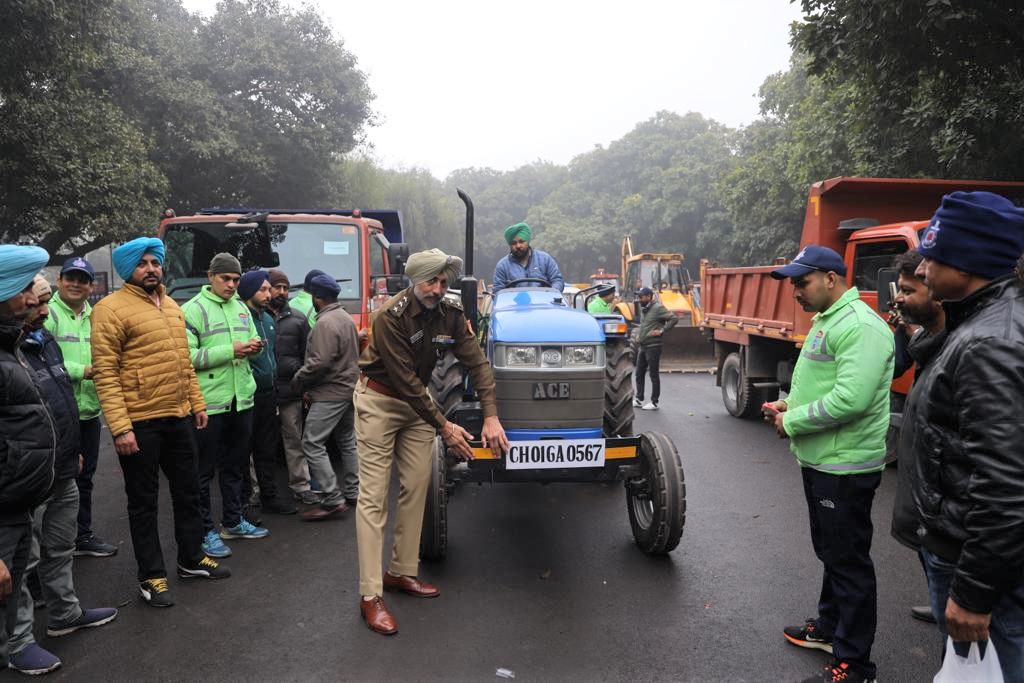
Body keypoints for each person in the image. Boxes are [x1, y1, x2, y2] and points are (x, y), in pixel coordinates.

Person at [355, 248, 510, 635]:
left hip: (418, 406)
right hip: (379, 401)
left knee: (417, 486)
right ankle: (371, 595)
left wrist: (491, 415)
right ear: (414, 280)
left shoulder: (452, 315)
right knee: (373, 498)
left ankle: (401, 572)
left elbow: (477, 363)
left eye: (444, 282)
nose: (438, 289)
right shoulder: (389, 318)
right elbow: (405, 380)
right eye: (432, 281)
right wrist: (445, 426)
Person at [764, 245, 893, 683]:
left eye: (802, 282)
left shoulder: (860, 326)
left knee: (848, 561)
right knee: (832, 551)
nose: (795, 292)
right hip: (823, 460)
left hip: (845, 466)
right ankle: (829, 627)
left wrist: (793, 421)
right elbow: (823, 384)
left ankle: (856, 664)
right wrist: (785, 403)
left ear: (832, 279)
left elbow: (851, 400)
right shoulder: (829, 320)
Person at [911, 192, 1024, 681]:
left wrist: (973, 592)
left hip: (974, 565)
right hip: (966, 550)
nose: (922, 269)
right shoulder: (977, 323)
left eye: (934, 254)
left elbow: (1007, 485)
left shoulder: (989, 342)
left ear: (968, 261)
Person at [92, 237, 230, 609]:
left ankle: (190, 558)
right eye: (142, 263)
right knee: (144, 502)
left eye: (155, 262)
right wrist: (120, 428)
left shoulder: (171, 306)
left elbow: (184, 363)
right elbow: (105, 373)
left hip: (179, 415)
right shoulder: (109, 310)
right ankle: (151, 575)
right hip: (140, 421)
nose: (151, 268)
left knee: (187, 491)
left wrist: (197, 403)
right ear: (127, 270)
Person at [8, 275, 117, 675]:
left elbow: (59, 398)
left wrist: (69, 452)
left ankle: (64, 614)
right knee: (22, 559)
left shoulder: (41, 340)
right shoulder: (10, 350)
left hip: (61, 465)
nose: (43, 310)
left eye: (44, 301)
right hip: (22, 478)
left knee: (59, 547)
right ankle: (17, 642)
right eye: (35, 302)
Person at [182, 253, 269, 559]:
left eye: (235, 280)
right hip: (209, 403)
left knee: (235, 467)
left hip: (241, 399)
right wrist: (231, 349)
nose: (232, 285)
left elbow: (253, 345)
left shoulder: (242, 308)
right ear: (211, 276)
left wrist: (256, 348)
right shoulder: (191, 310)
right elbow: (188, 359)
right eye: (226, 279)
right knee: (203, 472)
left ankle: (232, 521)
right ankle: (206, 530)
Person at [0, 245, 56, 670]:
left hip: (17, 504)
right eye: (22, 289)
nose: (34, 298)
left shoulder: (11, 346)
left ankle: (14, 649)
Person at [885, 251, 945, 626]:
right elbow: (896, 365)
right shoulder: (926, 332)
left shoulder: (970, 339)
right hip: (927, 484)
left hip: (949, 493)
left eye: (909, 289)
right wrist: (907, 332)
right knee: (931, 551)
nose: (899, 298)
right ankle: (941, 598)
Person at [44, 256, 117, 558]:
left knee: (85, 478)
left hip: (88, 412)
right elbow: (40, 361)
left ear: (91, 286)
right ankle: (51, 546)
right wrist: (83, 370)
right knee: (55, 481)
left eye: (82, 279)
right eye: (70, 278)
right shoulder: (47, 314)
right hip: (56, 414)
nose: (76, 284)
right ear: (60, 281)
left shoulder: (97, 316)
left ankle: (81, 536)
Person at [291, 273, 361, 520]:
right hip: (349, 390)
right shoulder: (344, 318)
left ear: (317, 298)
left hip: (330, 393)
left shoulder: (325, 323)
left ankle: (332, 498)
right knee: (347, 441)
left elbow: (319, 362)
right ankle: (354, 492)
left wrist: (299, 380)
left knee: (312, 442)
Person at [238, 270, 296, 517]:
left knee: (267, 448)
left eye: (268, 288)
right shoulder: (241, 318)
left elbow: (271, 356)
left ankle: (270, 496)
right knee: (242, 450)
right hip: (247, 395)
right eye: (262, 289)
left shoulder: (269, 320)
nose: (269, 293)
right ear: (249, 291)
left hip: (269, 394)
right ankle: (247, 502)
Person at [267, 269, 317, 505]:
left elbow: (308, 356)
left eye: (286, 288)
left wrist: (306, 388)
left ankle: (301, 486)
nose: (282, 292)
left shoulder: (298, 319)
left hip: (291, 392)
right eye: (277, 287)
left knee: (295, 440)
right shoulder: (255, 317)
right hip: (263, 393)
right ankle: (259, 491)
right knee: (260, 446)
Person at [632, 287, 677, 411]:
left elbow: (673, 318)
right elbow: (644, 325)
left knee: (653, 375)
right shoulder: (644, 309)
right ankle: (639, 398)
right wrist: (639, 335)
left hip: (653, 347)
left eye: (641, 297)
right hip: (643, 346)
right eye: (639, 296)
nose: (639, 299)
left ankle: (654, 402)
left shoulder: (657, 308)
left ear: (649, 296)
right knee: (639, 373)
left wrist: (662, 331)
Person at [492, 222, 564, 295]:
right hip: (515, 305)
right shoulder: (502, 266)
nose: (518, 246)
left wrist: (553, 293)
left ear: (528, 241)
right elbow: (498, 291)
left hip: (543, 304)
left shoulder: (545, 259)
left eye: (521, 241)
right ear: (510, 245)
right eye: (514, 243)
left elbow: (557, 280)